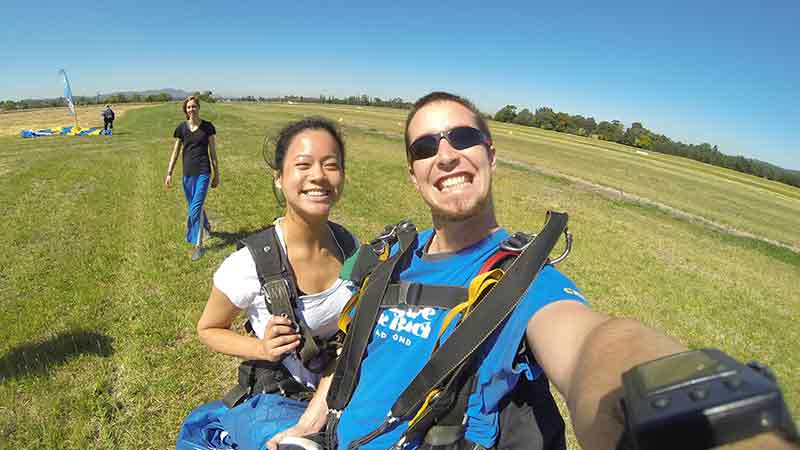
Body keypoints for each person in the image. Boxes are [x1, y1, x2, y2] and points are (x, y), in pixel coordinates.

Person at [266, 92, 797, 450]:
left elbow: (598, 344)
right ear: (413, 173)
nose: (446, 155)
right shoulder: (388, 257)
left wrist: (691, 411)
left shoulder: (525, 283)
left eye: (462, 138)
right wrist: (309, 424)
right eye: (426, 146)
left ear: (491, 155)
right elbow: (355, 355)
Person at [176, 117, 359, 450]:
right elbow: (208, 328)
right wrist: (261, 348)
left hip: (340, 393)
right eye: (302, 165)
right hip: (280, 395)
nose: (318, 175)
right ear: (279, 179)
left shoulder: (350, 246)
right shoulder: (249, 264)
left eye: (331, 165)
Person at [165, 96, 220, 260]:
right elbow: (175, 152)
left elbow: (213, 153)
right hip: (187, 173)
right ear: (185, 110)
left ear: (199, 107)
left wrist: (217, 174)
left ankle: (198, 245)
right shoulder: (181, 129)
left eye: (194, 106)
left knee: (194, 208)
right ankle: (207, 226)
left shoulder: (208, 128)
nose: (191, 109)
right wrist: (169, 172)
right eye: (188, 107)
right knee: (196, 204)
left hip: (203, 171)